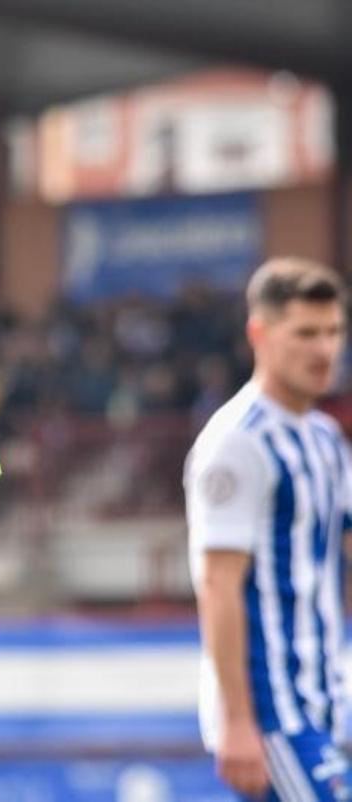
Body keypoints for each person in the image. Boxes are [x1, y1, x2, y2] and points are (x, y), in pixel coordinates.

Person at [186, 257, 352, 801]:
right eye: (305, 333)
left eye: (333, 332)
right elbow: (219, 584)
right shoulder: (238, 442)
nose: (324, 349)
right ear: (259, 333)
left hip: (330, 698)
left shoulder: (326, 437)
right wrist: (237, 720)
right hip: (273, 711)